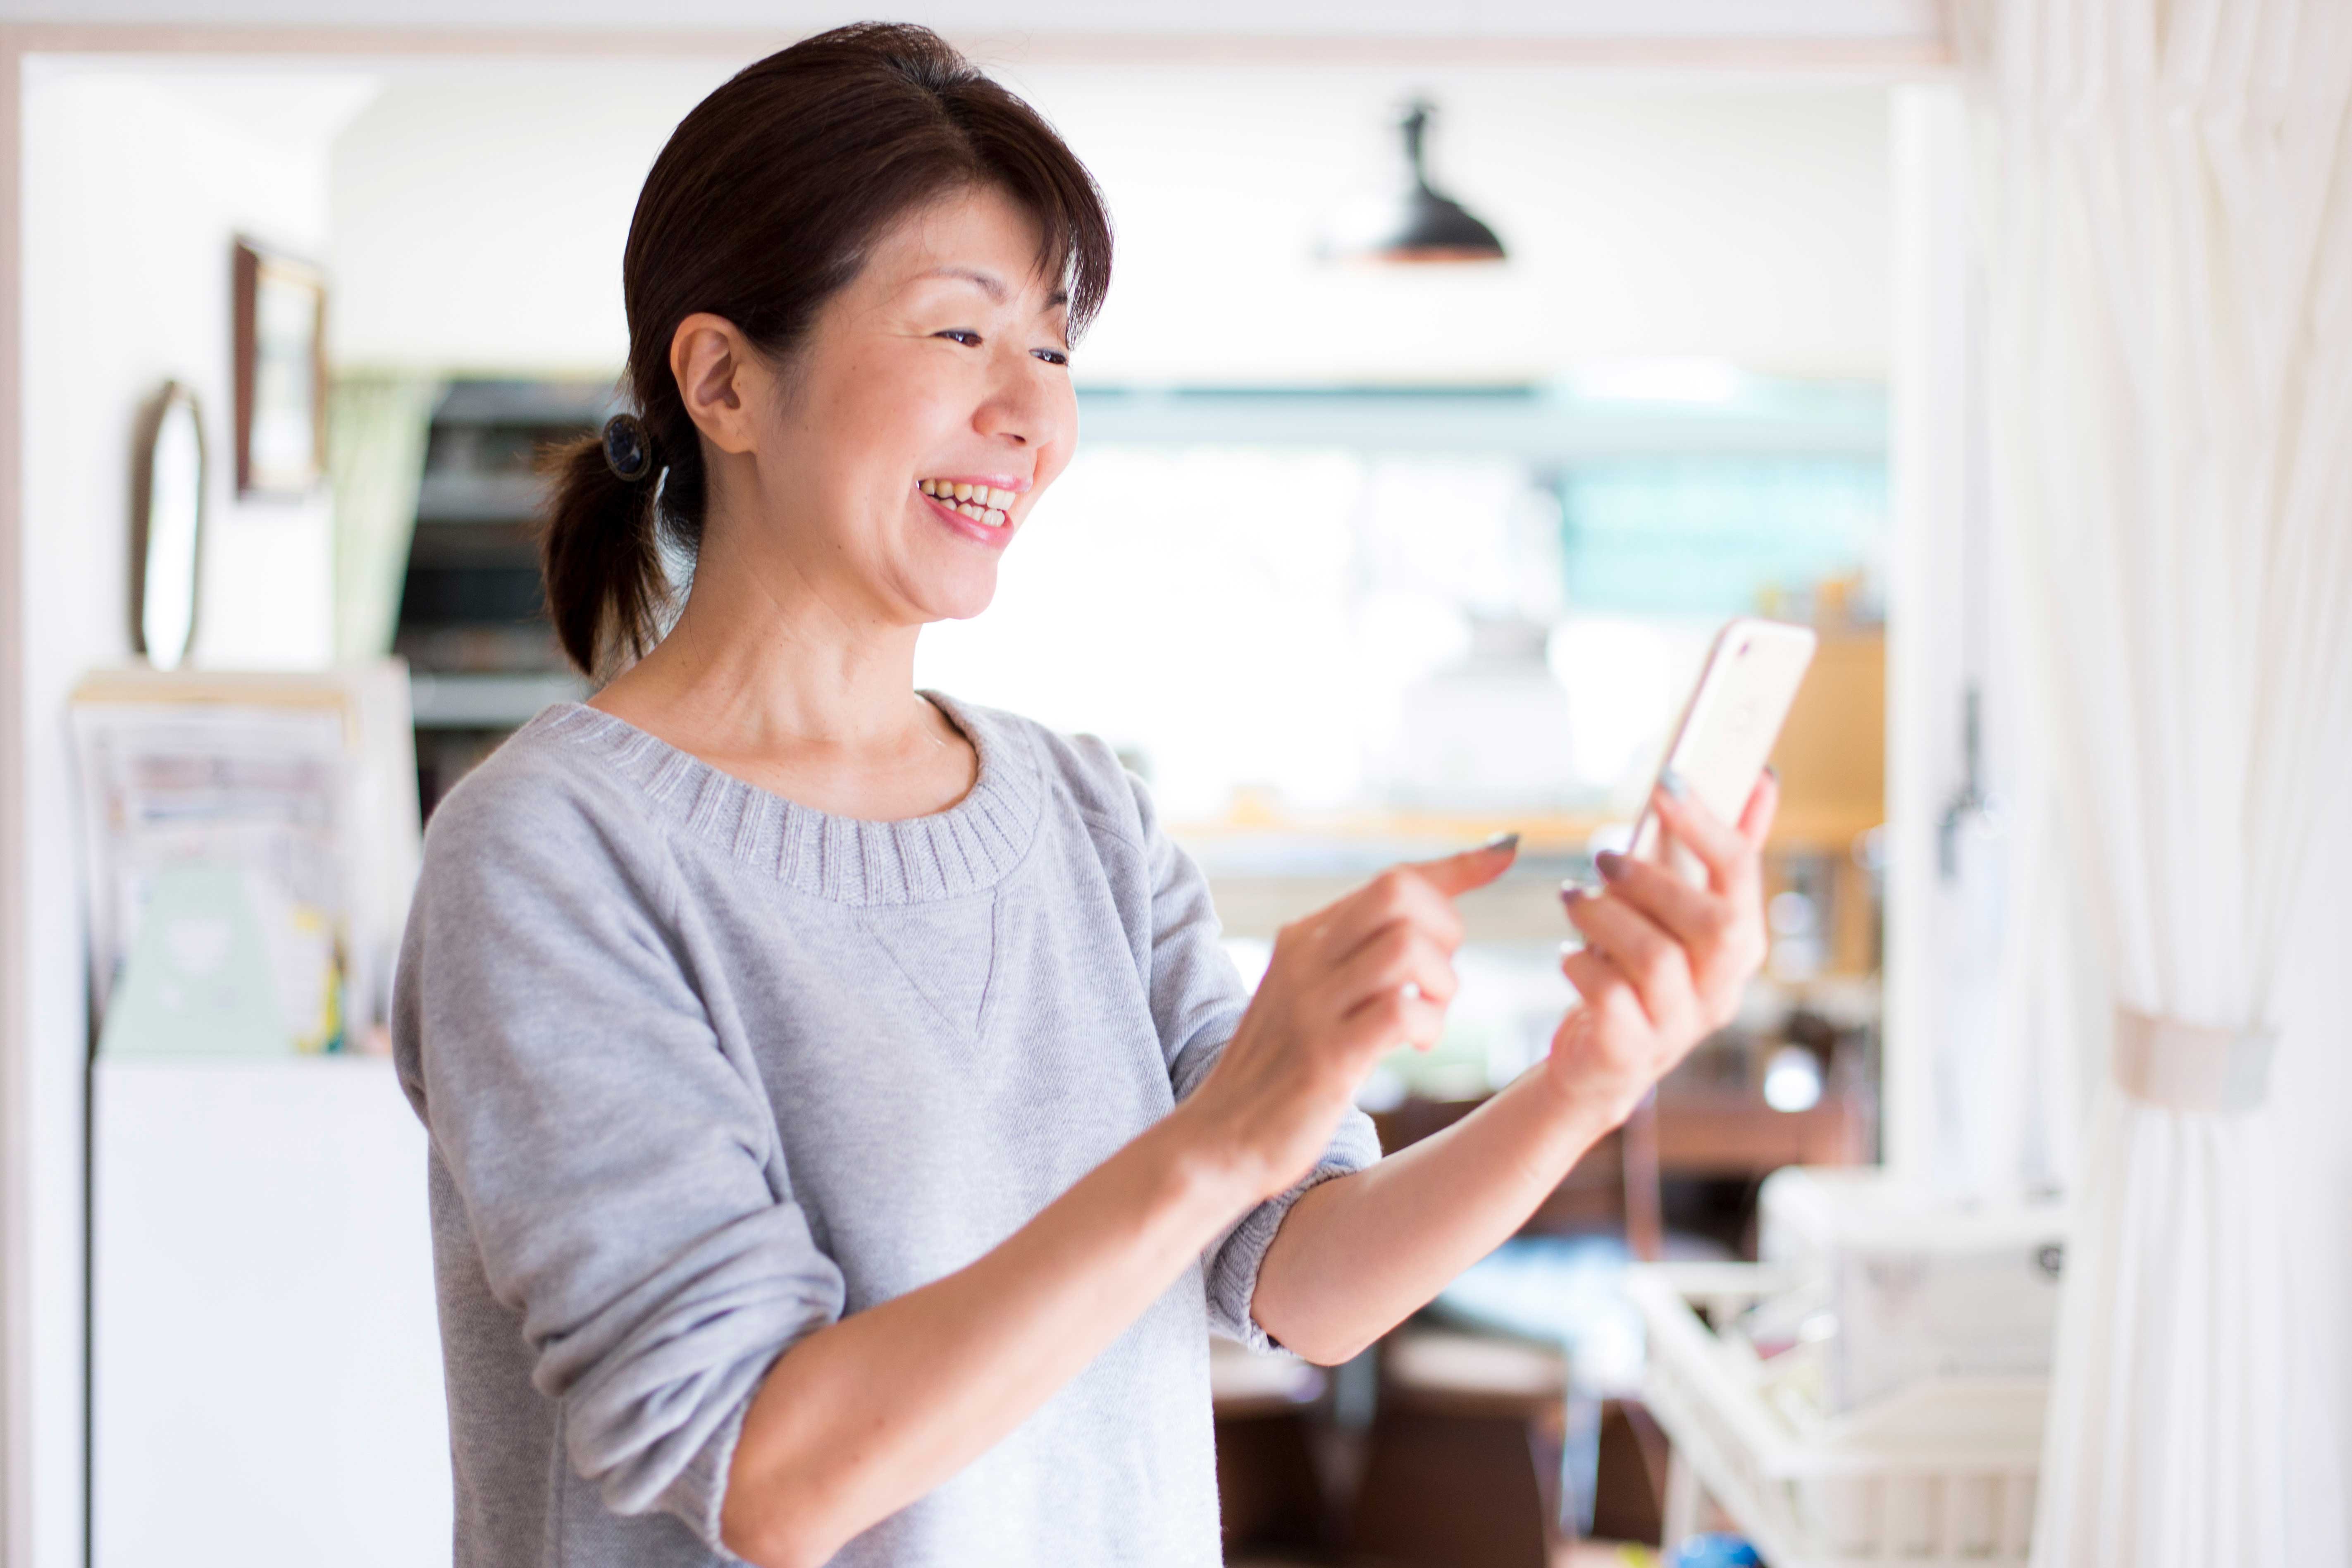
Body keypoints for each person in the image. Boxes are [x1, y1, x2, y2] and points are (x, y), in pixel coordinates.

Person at [391, 23, 1776, 1568]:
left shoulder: (1079, 813)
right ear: (724, 380)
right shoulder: (548, 854)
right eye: (957, 335)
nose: (1030, 414)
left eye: (1051, 349)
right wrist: (1218, 1139)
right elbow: (762, 1471)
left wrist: (1586, 1078)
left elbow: (1298, 1280)